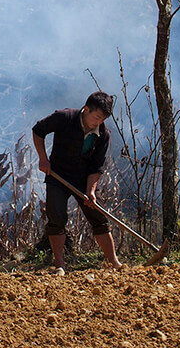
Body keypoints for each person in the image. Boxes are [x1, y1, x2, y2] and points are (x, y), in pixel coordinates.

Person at [32, 91, 122, 272]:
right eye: (96, 117)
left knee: (99, 217)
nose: (98, 122)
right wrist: (43, 158)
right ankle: (59, 265)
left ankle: (114, 263)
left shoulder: (103, 135)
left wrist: (91, 191)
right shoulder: (64, 117)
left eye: (102, 119)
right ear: (86, 109)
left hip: (83, 179)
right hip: (57, 175)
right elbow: (38, 130)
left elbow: (97, 167)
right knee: (56, 218)